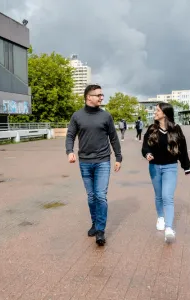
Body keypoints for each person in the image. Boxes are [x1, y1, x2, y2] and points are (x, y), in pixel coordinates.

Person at [66, 84, 122, 246]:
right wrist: (69, 151)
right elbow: (70, 135)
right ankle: (94, 222)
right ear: (88, 97)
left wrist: (118, 157)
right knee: (91, 196)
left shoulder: (106, 116)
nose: (101, 97)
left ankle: (100, 231)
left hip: (103, 161)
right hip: (84, 162)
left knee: (100, 195)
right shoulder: (77, 116)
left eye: (102, 95)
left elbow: (113, 138)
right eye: (98, 95)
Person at [141, 102, 190, 243]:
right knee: (158, 196)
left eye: (157, 110)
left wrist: (186, 166)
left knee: (167, 196)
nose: (155, 112)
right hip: (154, 167)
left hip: (170, 167)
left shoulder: (176, 129)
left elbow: (183, 148)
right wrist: (147, 154)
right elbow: (145, 147)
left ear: (165, 113)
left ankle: (169, 228)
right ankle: (161, 217)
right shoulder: (151, 129)